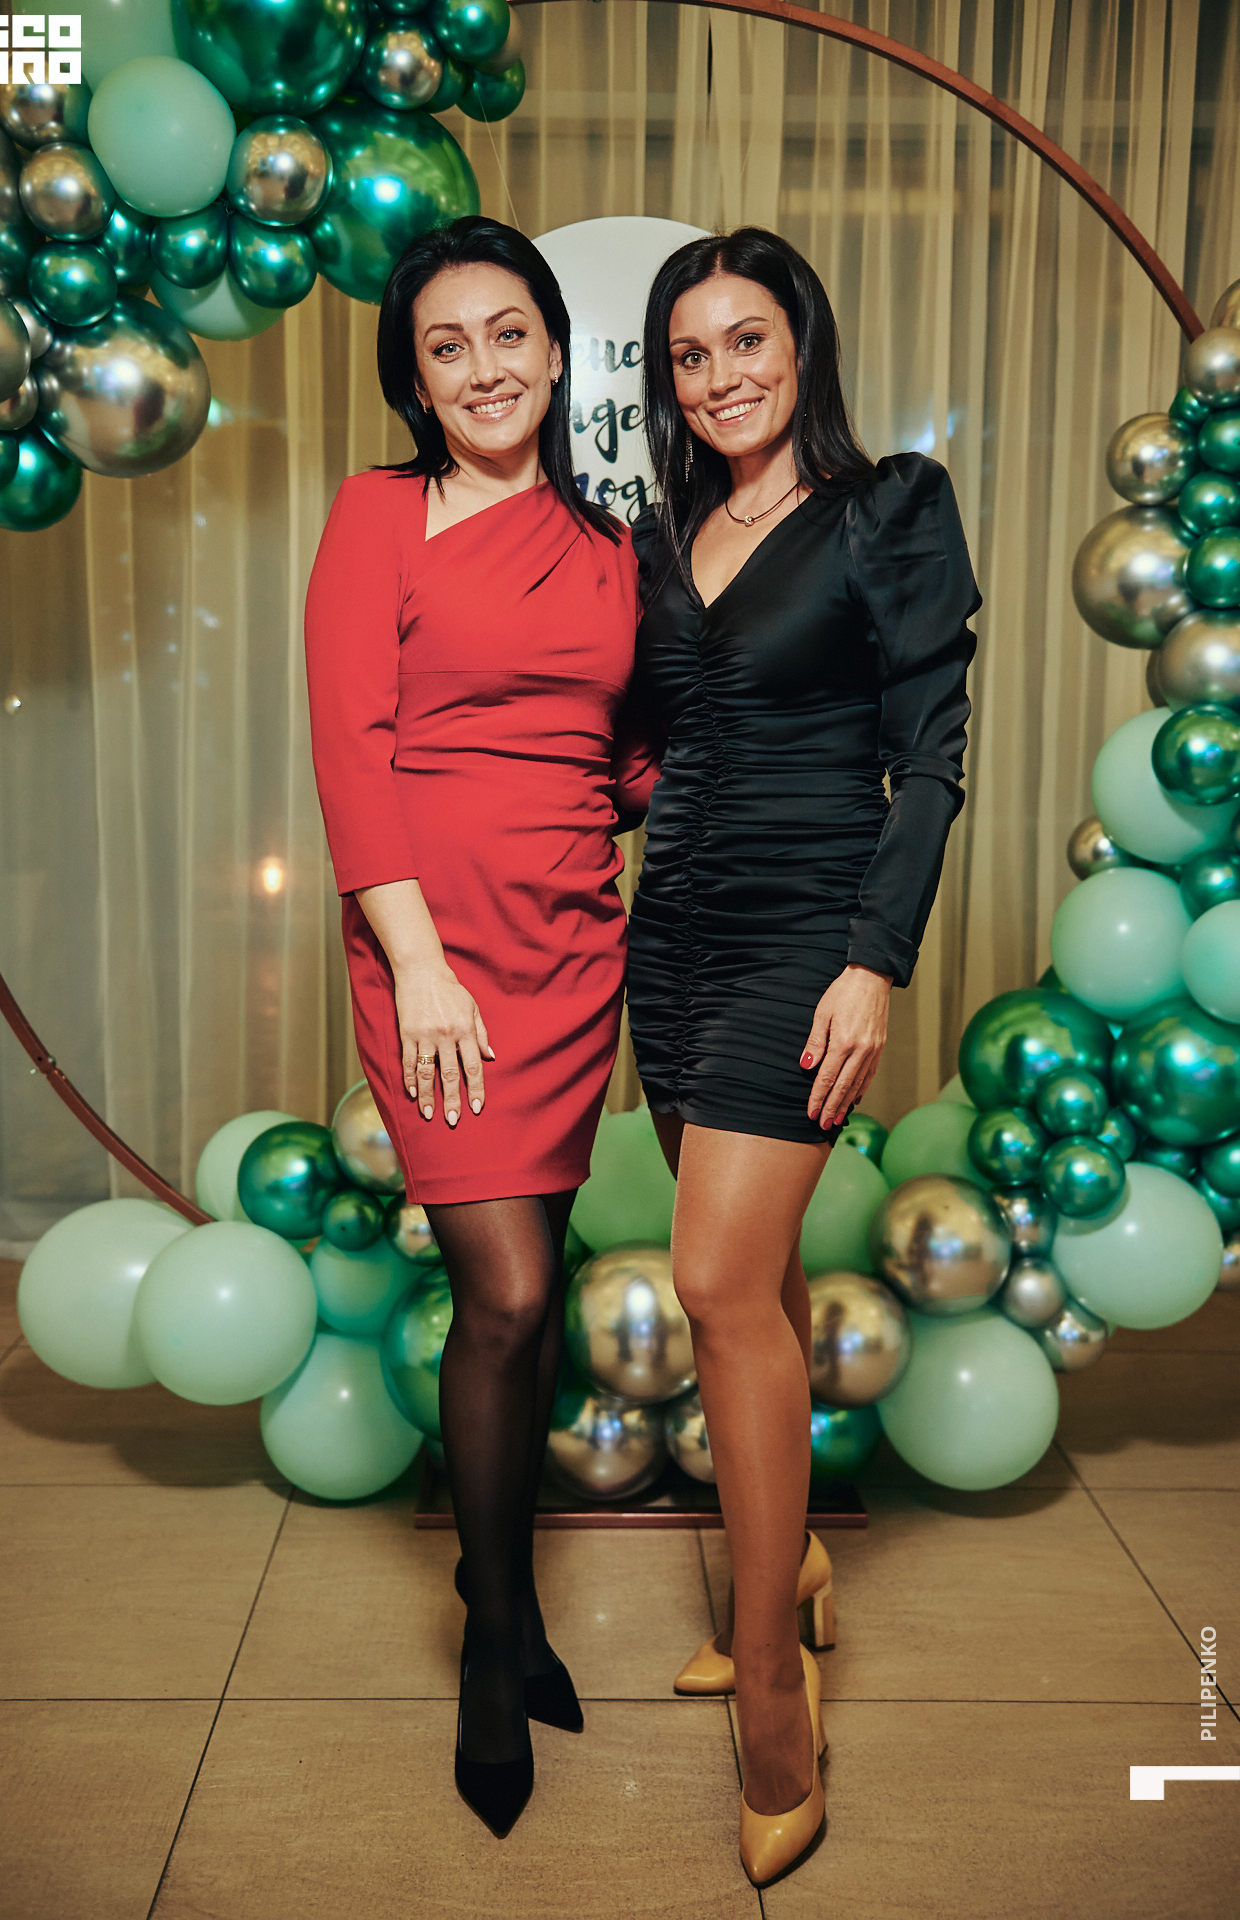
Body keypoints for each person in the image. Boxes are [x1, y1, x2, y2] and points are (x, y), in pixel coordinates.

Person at [627, 227, 979, 1886]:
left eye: (748, 340)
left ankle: (774, 1686)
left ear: (803, 342)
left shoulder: (887, 509)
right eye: (690, 355)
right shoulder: (663, 532)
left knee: (711, 1282)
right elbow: (654, 746)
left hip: (807, 939)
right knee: (751, 1291)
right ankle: (798, 1575)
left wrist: (873, 963)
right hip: (673, 944)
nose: (722, 377)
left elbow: (933, 759)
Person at [304, 215, 657, 1840]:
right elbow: (350, 749)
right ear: (418, 378)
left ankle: (504, 1600)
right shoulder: (378, 514)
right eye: (447, 347)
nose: (484, 368)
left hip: (572, 942)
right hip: (431, 950)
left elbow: (632, 759)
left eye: (508, 333)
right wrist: (419, 963)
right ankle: (494, 1636)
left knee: (540, 1278)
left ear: (555, 348)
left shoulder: (614, 546)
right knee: (504, 1292)